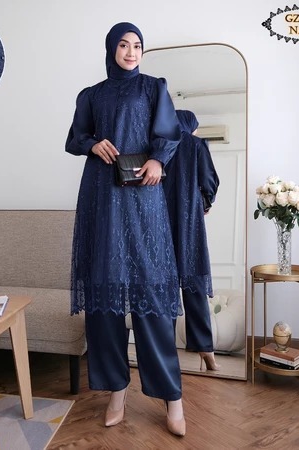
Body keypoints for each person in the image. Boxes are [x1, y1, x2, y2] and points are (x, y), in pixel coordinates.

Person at [65, 22, 186, 436]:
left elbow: (169, 133)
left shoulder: (153, 88)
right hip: (102, 199)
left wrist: (157, 160)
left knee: (152, 301)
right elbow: (75, 137)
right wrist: (92, 144)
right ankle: (116, 391)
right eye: (123, 45)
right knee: (105, 307)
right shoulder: (92, 95)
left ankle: (173, 398)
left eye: (137, 45)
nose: (131, 52)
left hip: (143, 200)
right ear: (111, 49)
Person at [163, 110, 220, 371]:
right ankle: (206, 351)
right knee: (195, 284)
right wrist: (204, 203)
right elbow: (209, 181)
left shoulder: (159, 145)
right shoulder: (196, 145)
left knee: (164, 289)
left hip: (159, 223)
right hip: (189, 222)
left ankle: (164, 355)